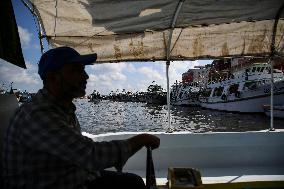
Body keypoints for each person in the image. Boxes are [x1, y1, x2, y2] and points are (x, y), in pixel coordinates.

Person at [2, 46, 160, 189]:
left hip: (70, 175)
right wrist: (141, 139)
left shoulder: (62, 108)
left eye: (83, 70)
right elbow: (91, 155)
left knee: (134, 182)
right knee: (133, 184)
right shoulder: (38, 115)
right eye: (76, 70)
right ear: (53, 78)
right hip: (54, 183)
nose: (86, 77)